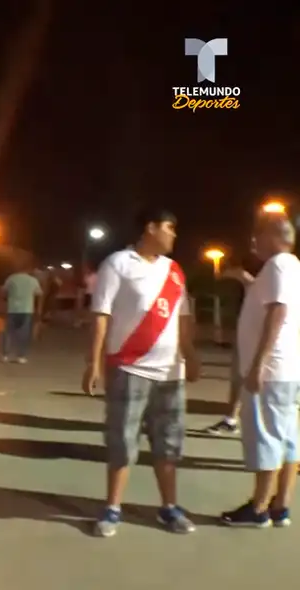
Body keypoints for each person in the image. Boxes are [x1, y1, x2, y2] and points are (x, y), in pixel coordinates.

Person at [81, 207, 201, 538]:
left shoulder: (175, 271)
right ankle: (112, 507)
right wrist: (93, 362)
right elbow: (101, 315)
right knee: (123, 440)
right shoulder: (118, 264)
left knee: (168, 443)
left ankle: (169, 507)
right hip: (129, 367)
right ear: (150, 228)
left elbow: (183, 318)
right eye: (169, 227)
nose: (174, 234)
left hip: (170, 373)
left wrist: (190, 355)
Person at [220, 215, 300, 527]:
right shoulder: (290, 266)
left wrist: (258, 363)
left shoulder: (279, 265)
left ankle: (258, 508)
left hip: (271, 370)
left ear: (273, 235)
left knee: (267, 437)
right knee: (288, 438)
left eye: (257, 234)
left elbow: (278, 312)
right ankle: (281, 506)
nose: (253, 241)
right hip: (287, 369)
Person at [204, 252, 264, 435]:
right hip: (248, 337)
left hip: (262, 340)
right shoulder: (259, 281)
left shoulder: (278, 275)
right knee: (238, 378)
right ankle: (231, 419)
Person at [0, 260, 43, 363]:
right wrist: (39, 309)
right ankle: (21, 356)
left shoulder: (11, 278)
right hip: (27, 309)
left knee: (8, 332)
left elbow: (3, 291)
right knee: (24, 333)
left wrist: (3, 302)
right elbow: (39, 294)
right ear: (28, 269)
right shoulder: (33, 280)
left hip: (12, 309)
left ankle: (5, 355)